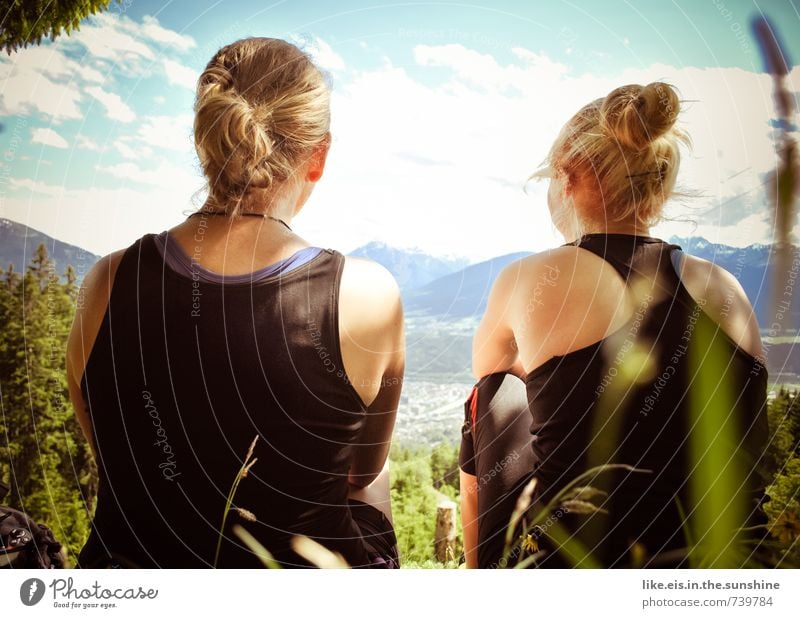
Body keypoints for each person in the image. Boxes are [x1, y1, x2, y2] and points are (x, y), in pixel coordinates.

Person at [66, 37, 404, 568]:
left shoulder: (107, 280)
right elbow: (360, 473)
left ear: (206, 145)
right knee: (375, 480)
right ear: (319, 156)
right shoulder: (364, 294)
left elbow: (110, 455)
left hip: (126, 581)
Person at [461, 82, 770, 568]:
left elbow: (492, 373)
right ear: (661, 186)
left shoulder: (531, 276)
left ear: (564, 177)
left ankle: (486, 582)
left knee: (490, 395)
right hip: (730, 567)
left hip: (589, 562)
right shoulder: (724, 286)